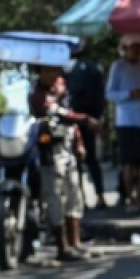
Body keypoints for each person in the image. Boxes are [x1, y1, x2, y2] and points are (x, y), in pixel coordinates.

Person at [29, 66, 96, 263]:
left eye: (55, 73)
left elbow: (71, 121)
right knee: (55, 198)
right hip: (50, 152)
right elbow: (62, 114)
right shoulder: (38, 96)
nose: (53, 77)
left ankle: (75, 243)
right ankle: (62, 247)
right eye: (48, 72)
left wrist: (80, 142)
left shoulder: (62, 91)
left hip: (68, 150)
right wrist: (86, 120)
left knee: (74, 195)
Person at [105, 34, 140, 209]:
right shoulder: (118, 66)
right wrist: (128, 94)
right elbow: (110, 93)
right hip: (126, 120)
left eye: (139, 47)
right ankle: (130, 197)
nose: (136, 51)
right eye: (133, 47)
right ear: (125, 49)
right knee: (128, 161)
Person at [65, 40, 107, 210]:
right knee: (91, 160)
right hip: (89, 120)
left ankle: (80, 198)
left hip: (71, 120)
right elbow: (100, 97)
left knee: (76, 161)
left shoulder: (65, 69)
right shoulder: (94, 68)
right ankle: (100, 196)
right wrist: (97, 117)